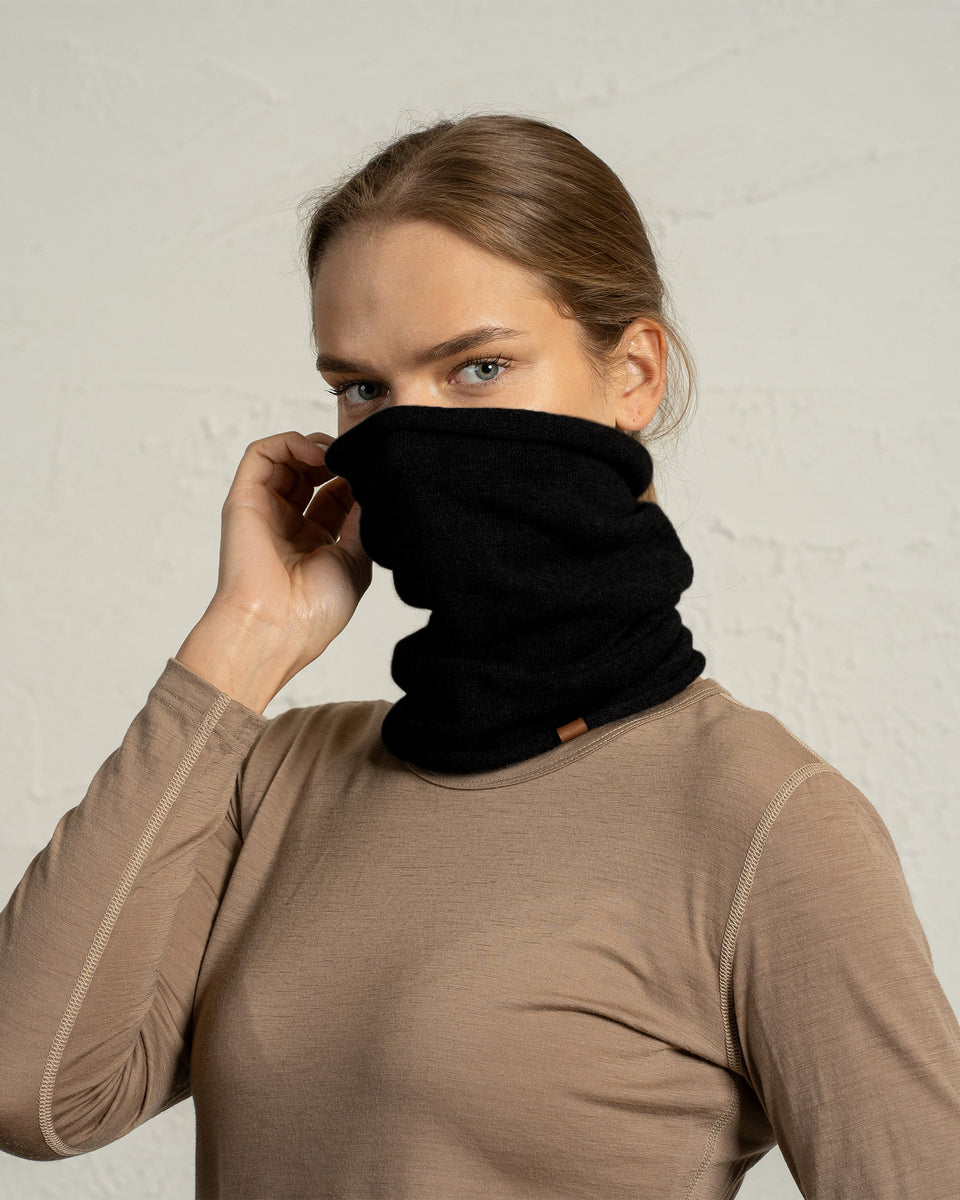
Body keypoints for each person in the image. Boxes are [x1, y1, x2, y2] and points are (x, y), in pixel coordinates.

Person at [0, 113, 958, 1200]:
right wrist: (245, 643)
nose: (409, 436)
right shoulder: (275, 779)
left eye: (478, 367)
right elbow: (32, 1091)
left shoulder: (760, 819)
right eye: (363, 389)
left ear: (634, 375)